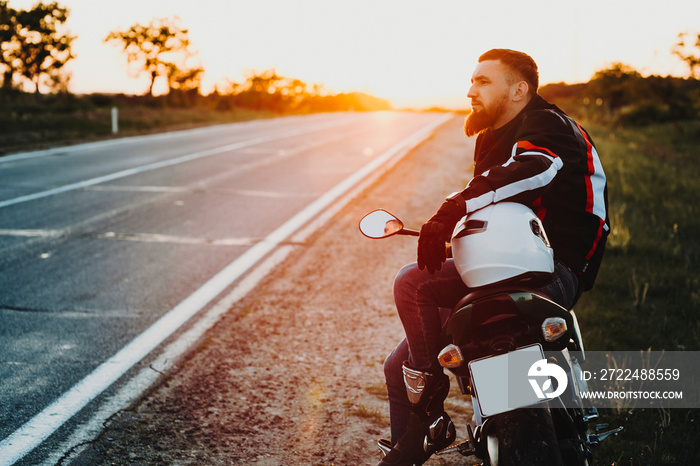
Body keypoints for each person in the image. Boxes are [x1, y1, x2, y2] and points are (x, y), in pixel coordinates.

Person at [377, 48, 609, 466]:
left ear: (519, 90)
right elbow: (494, 208)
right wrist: (455, 237)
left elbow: (531, 169)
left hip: (553, 269)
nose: (470, 91)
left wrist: (450, 209)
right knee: (399, 362)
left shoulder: (548, 125)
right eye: (471, 81)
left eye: (483, 81)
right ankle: (423, 422)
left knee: (413, 284)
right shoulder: (488, 139)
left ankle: (430, 417)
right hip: (500, 266)